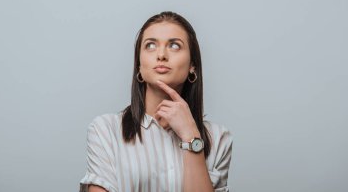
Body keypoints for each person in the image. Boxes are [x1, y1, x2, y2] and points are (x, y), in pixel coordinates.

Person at [79, 11, 233, 192]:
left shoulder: (218, 138)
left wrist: (191, 137)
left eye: (174, 45)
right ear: (139, 66)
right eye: (150, 45)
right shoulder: (105, 130)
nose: (161, 55)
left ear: (193, 65)